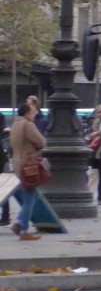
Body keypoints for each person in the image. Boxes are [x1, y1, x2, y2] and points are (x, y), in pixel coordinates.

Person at [8, 102, 45, 240]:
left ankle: (20, 224)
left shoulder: (15, 125)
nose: (34, 115)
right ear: (26, 114)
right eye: (32, 113)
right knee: (30, 196)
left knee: (31, 195)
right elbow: (41, 142)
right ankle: (22, 227)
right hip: (29, 165)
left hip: (17, 163)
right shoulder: (28, 125)